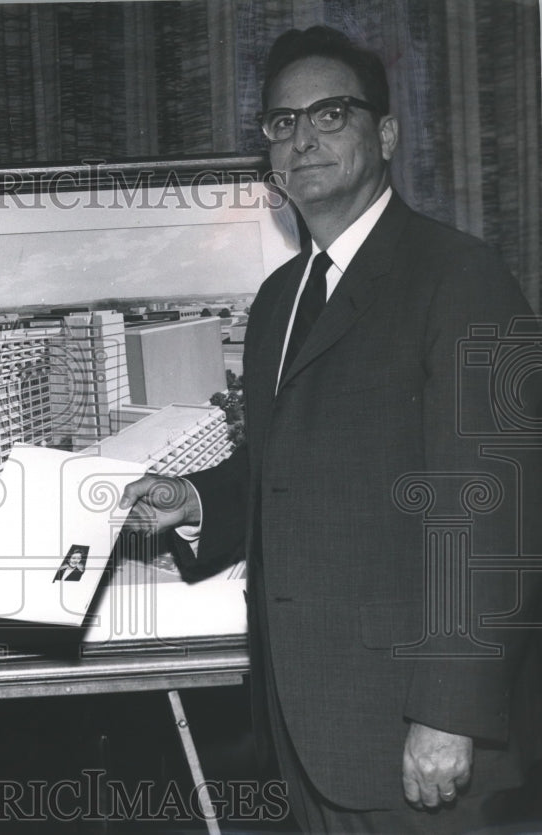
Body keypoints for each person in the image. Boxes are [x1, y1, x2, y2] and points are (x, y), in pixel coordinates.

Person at [122, 26, 540, 833]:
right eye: (282, 122)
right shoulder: (281, 296)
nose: (303, 138)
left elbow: (498, 511)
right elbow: (289, 468)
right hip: (307, 733)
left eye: (331, 114)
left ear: (384, 134)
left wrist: (450, 713)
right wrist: (197, 497)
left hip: (419, 743)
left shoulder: (459, 277)